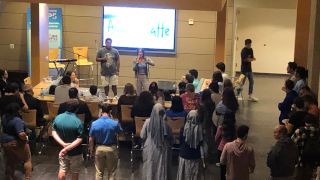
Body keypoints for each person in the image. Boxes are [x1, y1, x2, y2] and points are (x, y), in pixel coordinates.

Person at [52, 99, 84, 180]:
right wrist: (67, 148)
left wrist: (63, 144)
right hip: (75, 151)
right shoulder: (78, 122)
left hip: (62, 149)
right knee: (75, 171)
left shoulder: (58, 118)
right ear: (77, 109)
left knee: (62, 169)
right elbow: (79, 139)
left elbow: (53, 132)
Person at [89, 104, 123, 180]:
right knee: (111, 173)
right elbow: (120, 132)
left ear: (101, 111)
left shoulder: (94, 124)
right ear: (110, 111)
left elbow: (91, 138)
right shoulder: (114, 123)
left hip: (99, 148)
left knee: (99, 172)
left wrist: (91, 151)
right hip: (111, 148)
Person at [140, 103, 173, 180]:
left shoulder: (148, 122)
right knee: (162, 168)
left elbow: (142, 135)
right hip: (163, 149)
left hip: (150, 148)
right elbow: (170, 137)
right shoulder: (166, 123)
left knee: (150, 167)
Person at [1, 103, 32, 180]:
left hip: (5, 143)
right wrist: (25, 138)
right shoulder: (17, 120)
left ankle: (11, 178)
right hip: (16, 142)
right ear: (17, 111)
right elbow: (21, 133)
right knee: (27, 159)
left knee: (10, 161)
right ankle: (28, 178)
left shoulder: (4, 117)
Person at [291, 114, 319, 180]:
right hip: (315, 160)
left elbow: (292, 143)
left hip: (302, 159)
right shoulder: (318, 131)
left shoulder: (300, 131)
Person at [176, 110, 203, 180]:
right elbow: (201, 143)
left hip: (184, 156)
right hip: (196, 156)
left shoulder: (183, 128)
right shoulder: (200, 129)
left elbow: (180, 140)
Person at [215, 112, 237, 180]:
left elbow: (216, 138)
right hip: (232, 149)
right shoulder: (235, 127)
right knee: (231, 168)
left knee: (223, 170)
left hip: (222, 149)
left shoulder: (221, 127)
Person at [198, 89, 216, 161]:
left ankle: (202, 157)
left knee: (202, 142)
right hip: (210, 124)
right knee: (207, 141)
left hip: (203, 125)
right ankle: (206, 156)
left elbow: (200, 117)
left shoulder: (201, 105)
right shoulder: (212, 103)